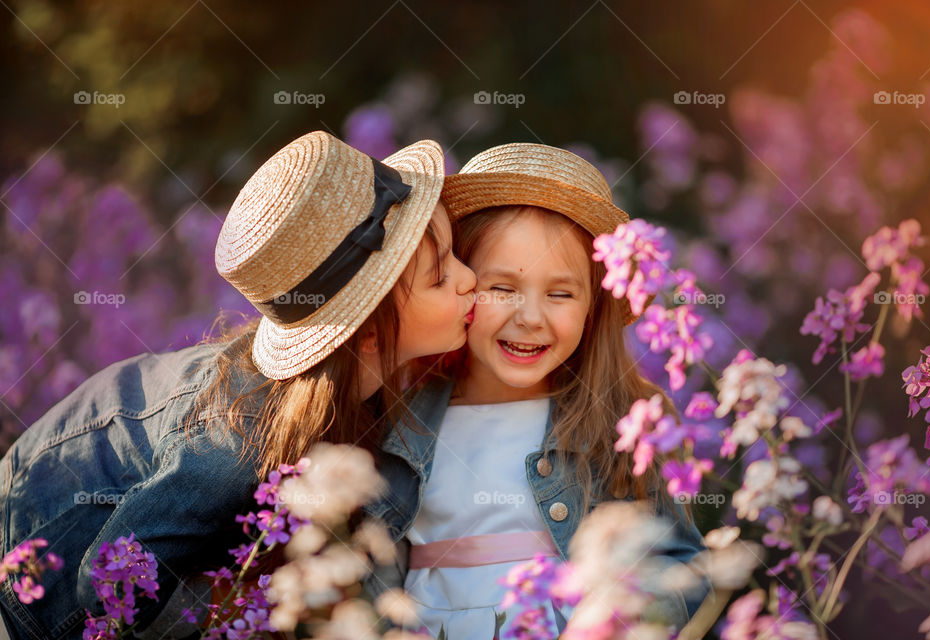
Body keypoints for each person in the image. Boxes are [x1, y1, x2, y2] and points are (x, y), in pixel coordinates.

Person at [0, 131, 477, 639]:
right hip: (34, 590)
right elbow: (110, 583)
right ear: (369, 336)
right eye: (440, 276)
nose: (470, 278)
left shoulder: (362, 385)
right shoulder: (236, 437)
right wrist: (242, 611)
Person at [364, 143, 707, 638]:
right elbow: (375, 566)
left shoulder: (624, 420)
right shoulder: (402, 418)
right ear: (460, 284)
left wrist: (622, 618)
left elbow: (681, 561)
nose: (529, 317)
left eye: (561, 293)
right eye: (502, 288)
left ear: (594, 308)